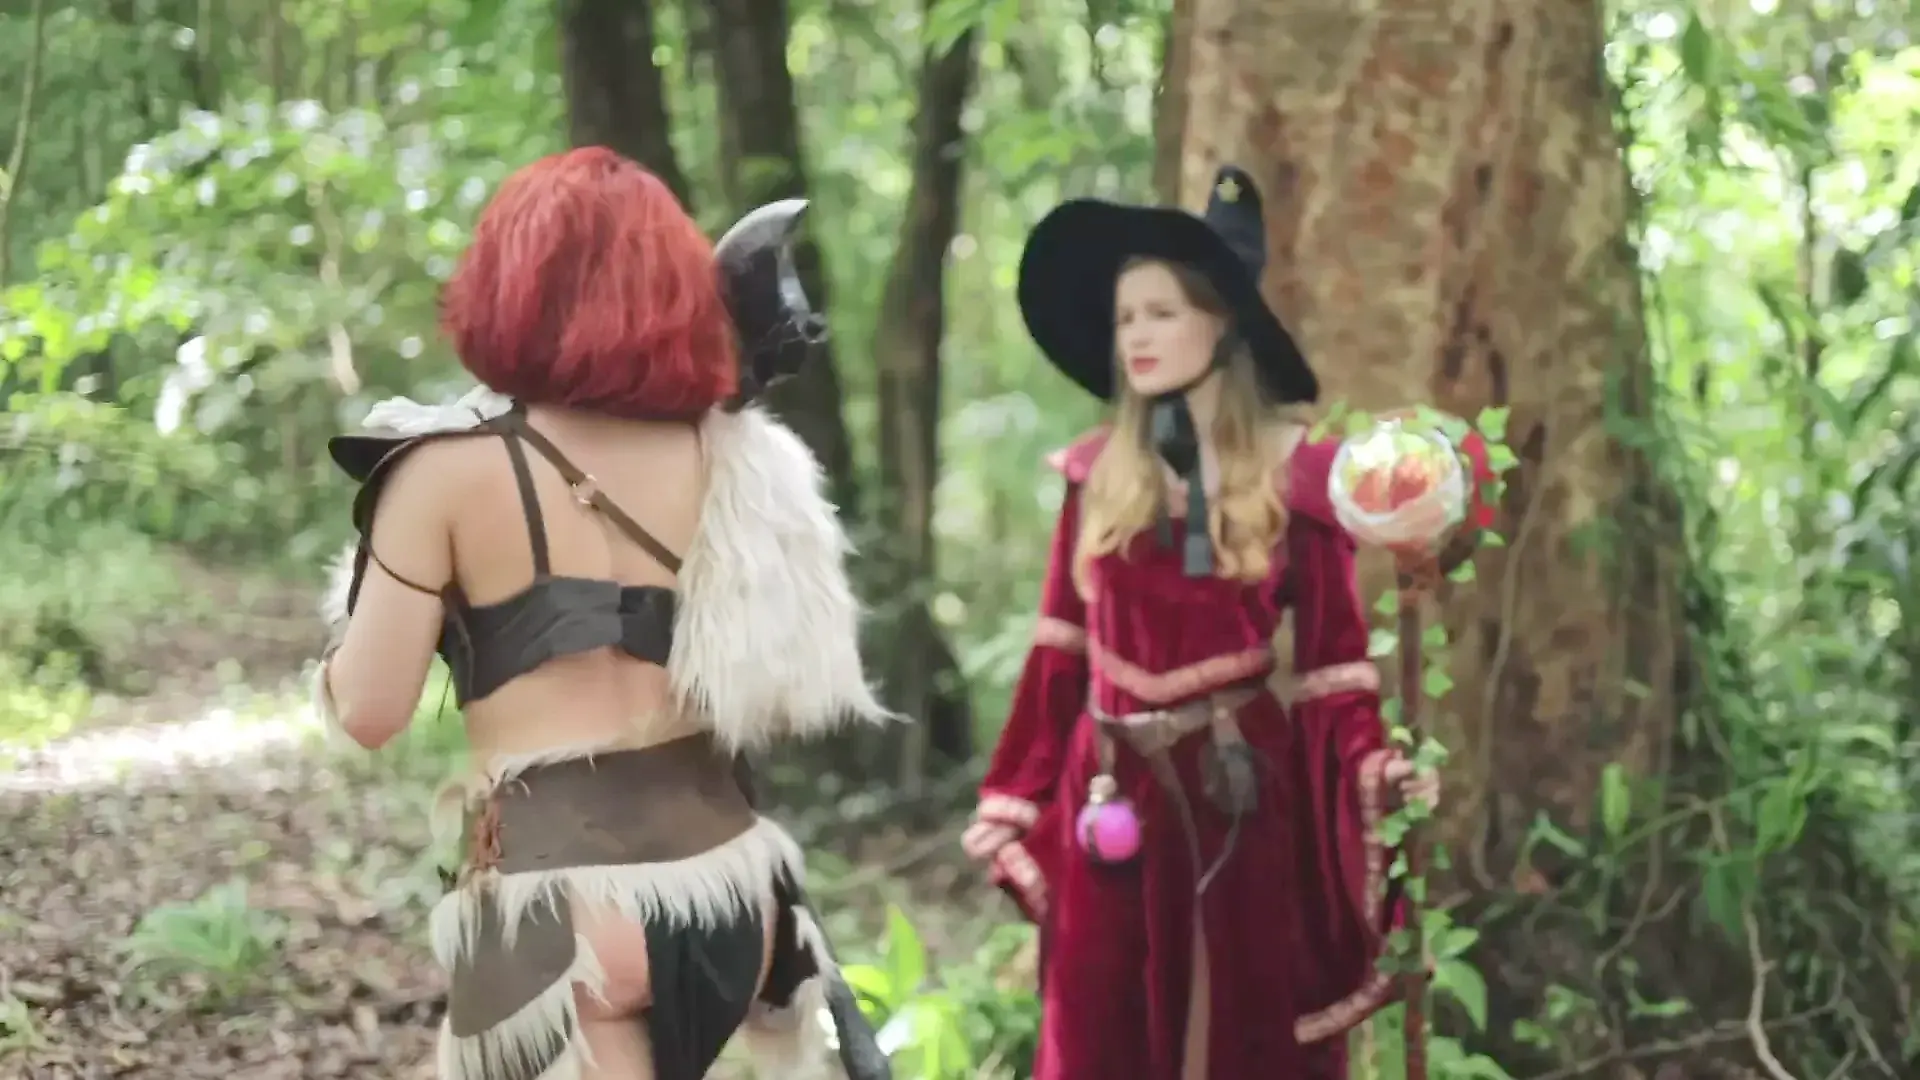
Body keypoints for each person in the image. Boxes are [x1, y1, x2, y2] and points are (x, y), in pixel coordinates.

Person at [311, 147, 894, 1080]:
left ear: (503, 290)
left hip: (565, 917)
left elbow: (369, 712)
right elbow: (791, 689)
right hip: (739, 894)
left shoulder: (438, 472)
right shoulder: (741, 459)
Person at [961, 165, 1488, 1079]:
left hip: (1241, 796)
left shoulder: (1303, 477)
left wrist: (1376, 771)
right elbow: (1060, 651)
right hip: (1109, 797)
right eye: (1125, 318)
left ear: (1223, 322)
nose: (1137, 336)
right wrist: (1018, 793)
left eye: (1161, 312)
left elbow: (1333, 672)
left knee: (1244, 1031)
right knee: (1100, 1034)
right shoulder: (1095, 475)